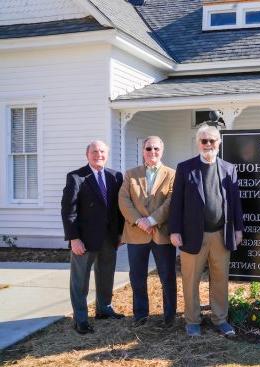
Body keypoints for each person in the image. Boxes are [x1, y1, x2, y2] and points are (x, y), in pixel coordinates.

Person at [169, 125, 243, 337]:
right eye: (204, 141)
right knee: (190, 280)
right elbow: (176, 203)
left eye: (212, 140)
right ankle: (192, 321)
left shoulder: (229, 168)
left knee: (220, 280)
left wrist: (238, 228)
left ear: (219, 143)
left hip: (221, 234)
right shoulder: (185, 168)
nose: (208, 144)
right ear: (197, 143)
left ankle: (220, 319)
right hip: (192, 236)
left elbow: (235, 202)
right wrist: (174, 230)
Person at [61, 140, 124, 334]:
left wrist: (120, 233)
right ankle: (80, 319)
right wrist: (74, 238)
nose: (99, 155)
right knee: (80, 281)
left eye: (102, 151)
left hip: (109, 237)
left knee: (106, 275)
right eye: (94, 151)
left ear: (107, 154)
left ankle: (104, 308)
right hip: (84, 239)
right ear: (87, 154)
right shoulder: (76, 177)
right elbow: (68, 210)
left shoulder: (115, 176)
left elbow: (118, 209)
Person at [118, 136, 177, 328]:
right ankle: (140, 315)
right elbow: (124, 200)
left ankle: (169, 317)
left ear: (162, 150)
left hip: (161, 233)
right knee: (137, 277)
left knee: (167, 276)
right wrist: (139, 221)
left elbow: (171, 201)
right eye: (149, 149)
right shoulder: (130, 174)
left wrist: (152, 220)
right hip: (136, 233)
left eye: (156, 149)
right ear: (143, 151)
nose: (152, 152)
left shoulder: (172, 174)